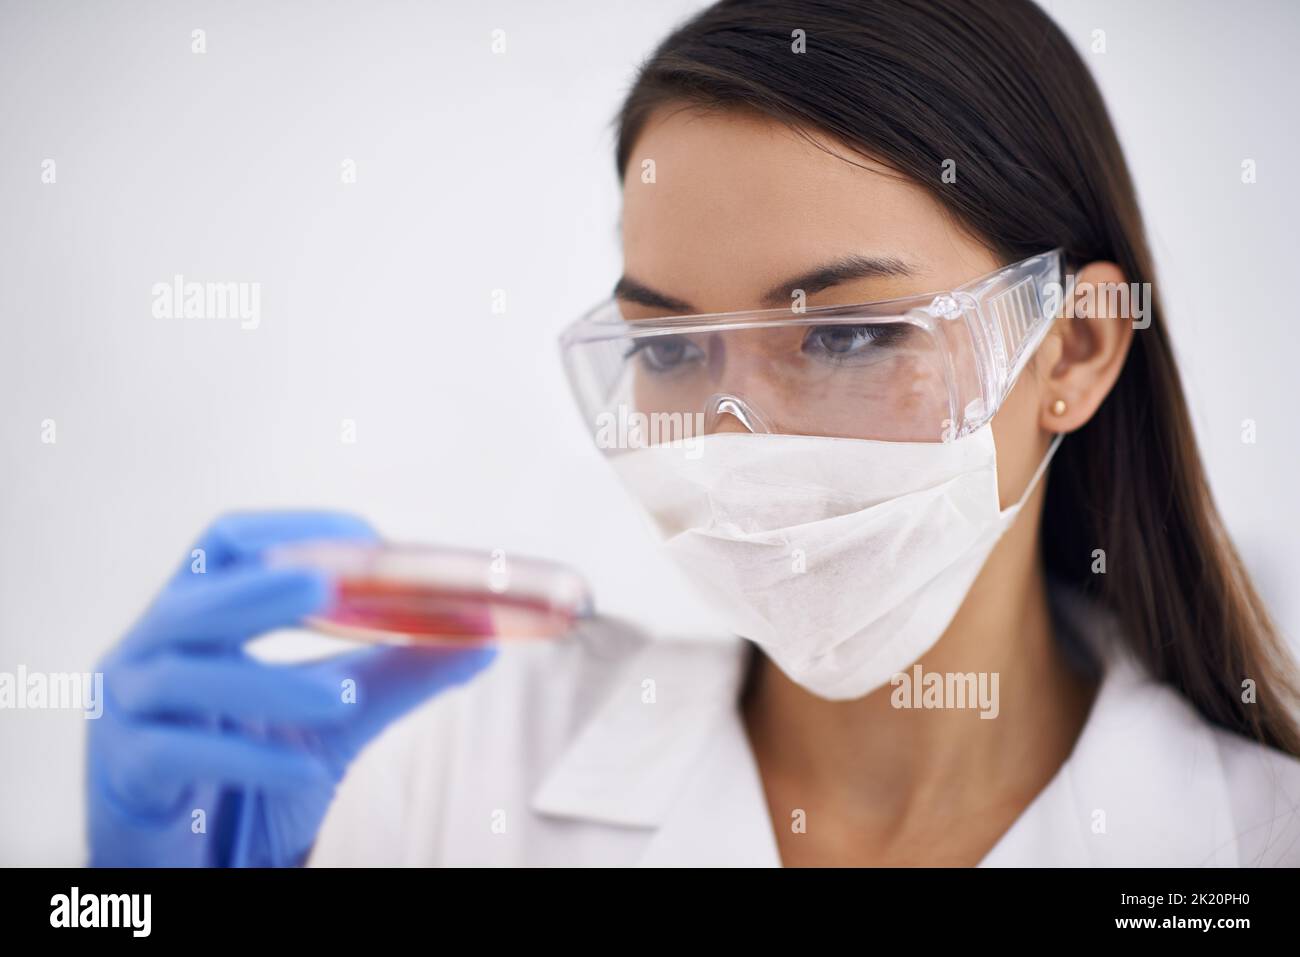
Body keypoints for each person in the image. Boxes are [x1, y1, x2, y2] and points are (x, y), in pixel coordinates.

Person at [87, 0, 1300, 867]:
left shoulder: (1255, 840)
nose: (736, 438)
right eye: (667, 347)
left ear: (1072, 348)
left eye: (844, 336)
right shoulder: (450, 781)